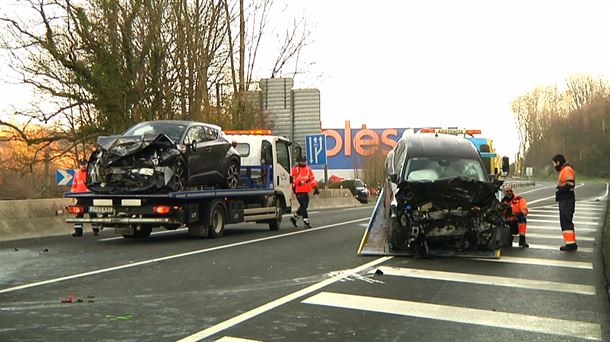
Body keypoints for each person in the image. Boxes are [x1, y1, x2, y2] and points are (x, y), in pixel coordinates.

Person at [552, 154, 577, 251]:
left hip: (567, 200)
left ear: (558, 162)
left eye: (554, 163)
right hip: (565, 200)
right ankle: (570, 243)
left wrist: (559, 190)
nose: (554, 166)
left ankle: (570, 244)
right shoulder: (564, 170)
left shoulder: (566, 170)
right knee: (565, 221)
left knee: (566, 221)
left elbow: (570, 184)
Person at [71, 159, 100, 237]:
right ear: (79, 165)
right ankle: (78, 231)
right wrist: (73, 194)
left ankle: (96, 230)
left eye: (85, 164)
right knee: (79, 214)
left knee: (92, 213)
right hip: (80, 196)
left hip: (89, 196)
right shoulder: (77, 173)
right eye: (82, 164)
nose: (83, 166)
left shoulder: (91, 173)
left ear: (87, 164)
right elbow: (74, 184)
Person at [290, 156, 319, 228]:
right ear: (299, 161)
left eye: (304, 161)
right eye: (302, 161)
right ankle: (306, 221)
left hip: (306, 190)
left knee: (305, 206)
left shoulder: (308, 169)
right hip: (298, 190)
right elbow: (293, 179)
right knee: (303, 205)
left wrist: (315, 187)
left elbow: (312, 179)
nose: (303, 162)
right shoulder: (296, 169)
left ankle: (294, 218)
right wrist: (299, 183)